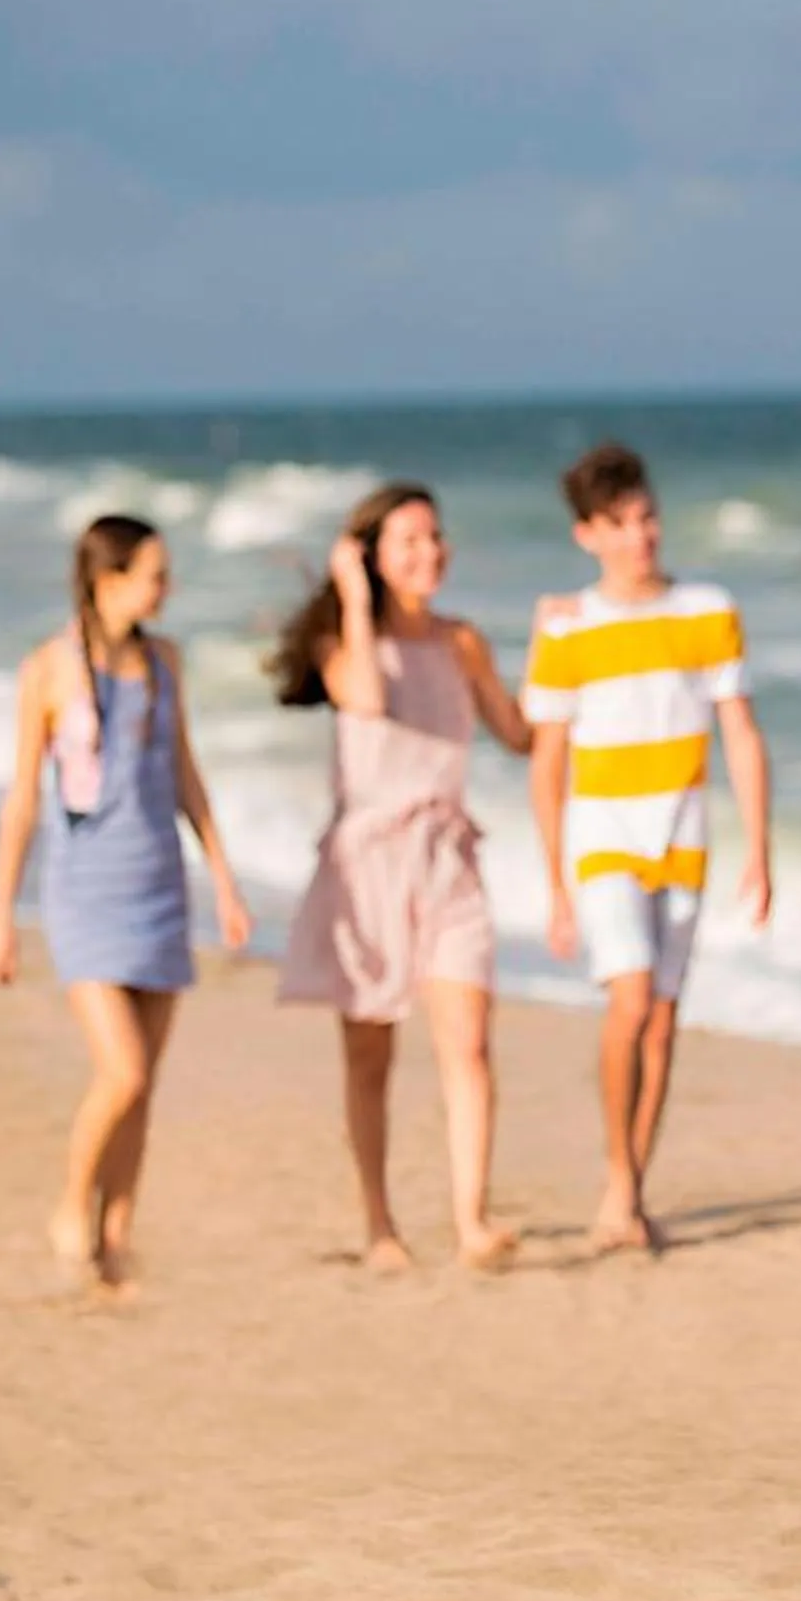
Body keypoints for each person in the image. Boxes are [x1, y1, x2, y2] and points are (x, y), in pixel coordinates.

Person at [0, 514, 251, 1292]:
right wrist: (1, 916)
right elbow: (23, 798)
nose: (167, 588)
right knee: (123, 1072)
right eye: (155, 574)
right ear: (110, 581)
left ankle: (116, 1236)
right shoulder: (48, 670)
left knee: (146, 1085)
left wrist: (224, 879)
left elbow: (186, 775)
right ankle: (71, 1205)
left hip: (160, 886)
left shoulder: (166, 663)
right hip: (84, 893)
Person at [271, 483, 535, 1273]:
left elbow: (520, 735)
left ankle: (471, 1221)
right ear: (372, 557)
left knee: (470, 1044)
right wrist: (354, 599)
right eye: (408, 542)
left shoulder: (464, 642)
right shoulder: (342, 644)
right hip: (368, 868)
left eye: (435, 537)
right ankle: (380, 1225)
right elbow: (368, 696)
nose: (430, 554)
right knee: (370, 1057)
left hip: (447, 856)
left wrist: (568, 662)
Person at [524, 443, 773, 1254]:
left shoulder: (706, 608)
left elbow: (740, 733)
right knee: (628, 1003)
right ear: (586, 534)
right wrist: (555, 884)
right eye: (621, 524)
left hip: (685, 837)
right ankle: (620, 1185)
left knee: (662, 1024)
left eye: (648, 517)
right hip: (603, 839)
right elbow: (547, 760)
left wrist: (759, 851)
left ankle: (629, 1188)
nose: (642, 536)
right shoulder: (565, 628)